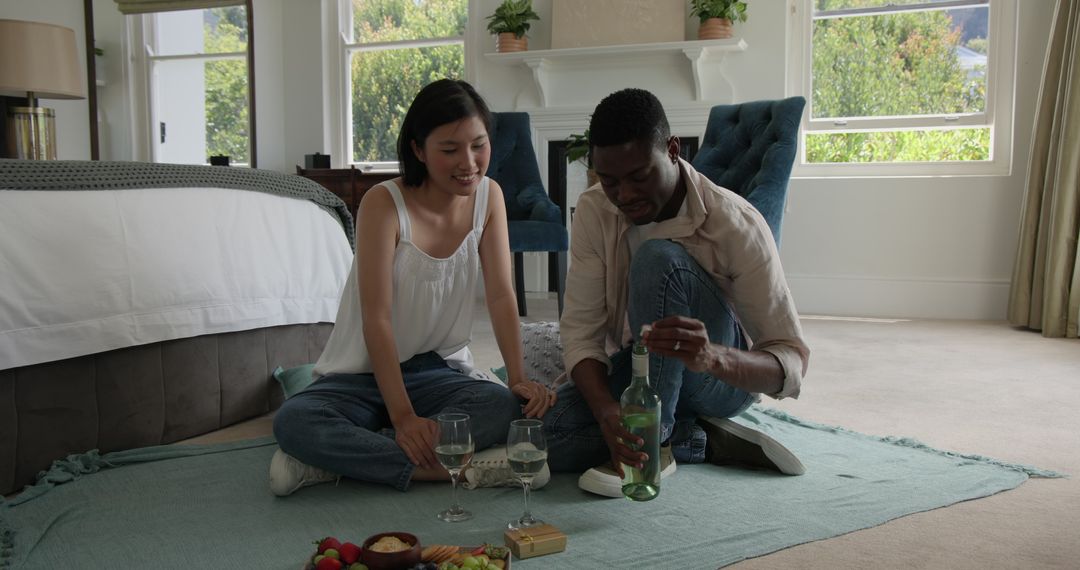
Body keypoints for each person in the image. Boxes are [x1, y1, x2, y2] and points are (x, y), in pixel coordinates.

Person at [269, 79, 557, 496]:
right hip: (361, 376)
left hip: (434, 371)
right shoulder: (383, 204)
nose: (469, 162)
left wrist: (517, 378)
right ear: (419, 150)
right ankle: (458, 468)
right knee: (294, 422)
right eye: (449, 150)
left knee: (503, 406)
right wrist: (403, 418)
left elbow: (500, 295)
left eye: (479, 145)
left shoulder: (488, 196)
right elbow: (377, 318)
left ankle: (335, 464)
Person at [543, 88, 811, 498]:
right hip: (638, 371)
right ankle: (696, 438)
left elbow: (789, 363)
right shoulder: (596, 211)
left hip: (716, 380)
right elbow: (581, 332)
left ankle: (660, 439)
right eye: (610, 181)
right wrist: (606, 412)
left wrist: (713, 356)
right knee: (548, 432)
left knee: (657, 261)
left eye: (639, 176)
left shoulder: (737, 224)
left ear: (672, 149)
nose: (625, 195)